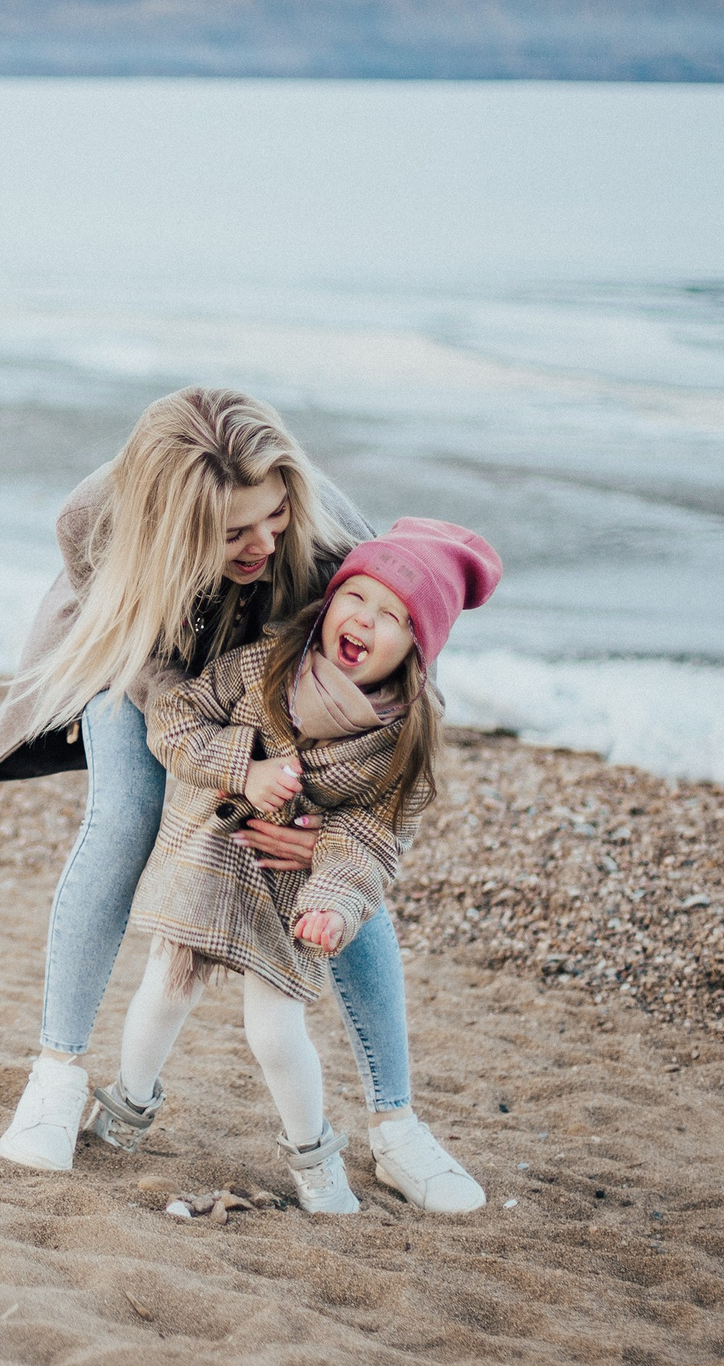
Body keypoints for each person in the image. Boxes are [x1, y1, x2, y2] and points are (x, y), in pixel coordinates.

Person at [0, 387, 482, 1211]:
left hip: (273, 671)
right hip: (144, 657)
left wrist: (337, 852)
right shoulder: (93, 522)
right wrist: (226, 765)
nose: (263, 540)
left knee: (334, 867)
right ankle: (57, 1074)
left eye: (272, 515)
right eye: (234, 530)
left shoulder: (320, 537)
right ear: (174, 525)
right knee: (124, 819)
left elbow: (401, 718)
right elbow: (148, 671)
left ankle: (396, 1125)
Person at [83, 518, 500, 1214]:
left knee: (275, 1032)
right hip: (215, 859)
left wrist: (334, 900)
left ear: (417, 651)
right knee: (164, 989)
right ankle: (128, 1106)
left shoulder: (401, 741)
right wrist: (244, 768)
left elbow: (374, 836)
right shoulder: (270, 660)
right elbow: (178, 716)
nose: (367, 620)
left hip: (291, 898)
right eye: (359, 597)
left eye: (395, 617)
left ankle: (315, 1160)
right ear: (332, 597)